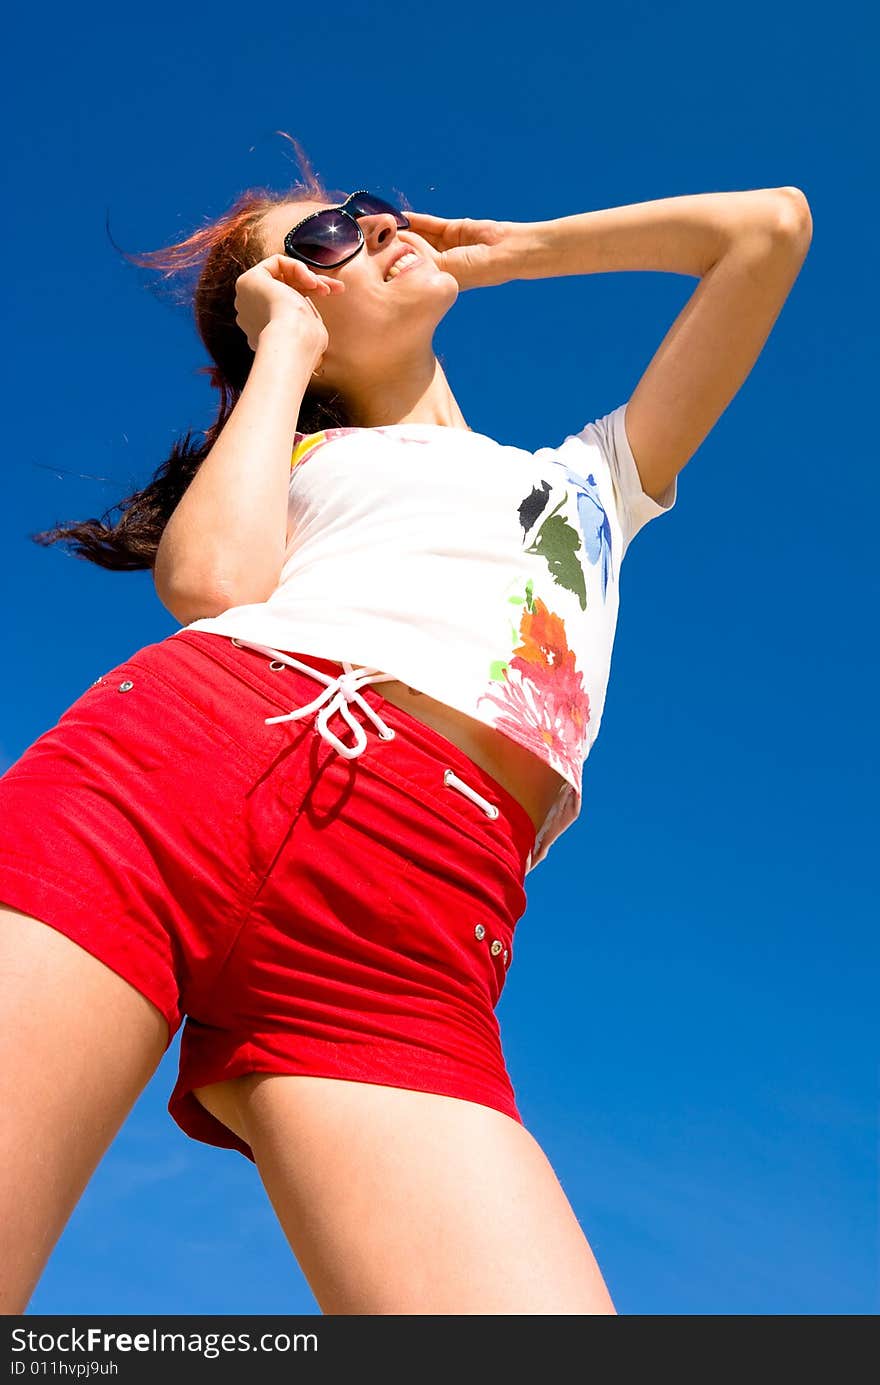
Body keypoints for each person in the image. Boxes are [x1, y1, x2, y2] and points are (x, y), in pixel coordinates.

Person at [0, 137, 812, 1314]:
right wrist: (281, 342)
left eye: (371, 210)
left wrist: (511, 251)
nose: (371, 230)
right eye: (323, 241)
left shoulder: (591, 482)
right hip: (173, 780)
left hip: (413, 919)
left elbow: (767, 229)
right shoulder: (300, 453)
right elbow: (214, 584)